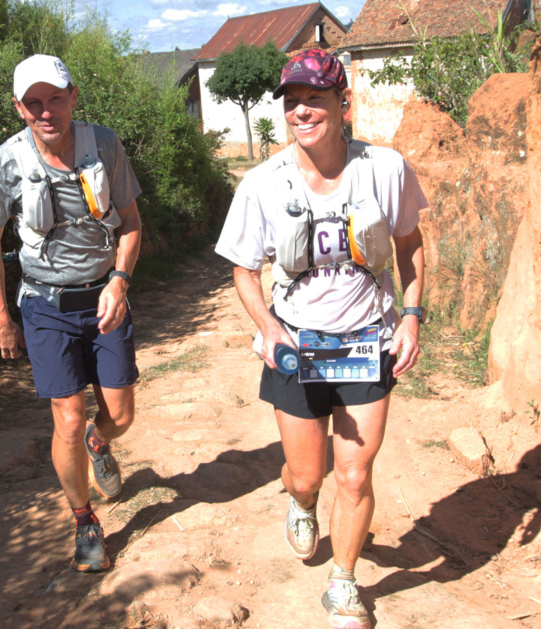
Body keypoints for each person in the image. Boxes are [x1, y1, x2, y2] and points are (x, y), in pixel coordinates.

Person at [215, 49, 426, 629]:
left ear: (343, 104)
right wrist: (269, 329)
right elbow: (242, 269)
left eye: (315, 98)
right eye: (292, 101)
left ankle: (343, 583)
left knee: (355, 474)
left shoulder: (386, 169)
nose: (301, 110)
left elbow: (409, 246)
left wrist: (410, 317)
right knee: (308, 474)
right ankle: (302, 501)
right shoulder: (261, 183)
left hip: (366, 341)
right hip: (297, 345)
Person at [0, 54, 142, 573]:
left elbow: (131, 223)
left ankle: (99, 441)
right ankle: (84, 520)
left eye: (55, 99)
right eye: (34, 103)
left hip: (105, 300)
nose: (47, 112)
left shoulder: (105, 145)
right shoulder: (4, 163)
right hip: (44, 306)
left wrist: (119, 279)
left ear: (72, 96)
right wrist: (1, 318)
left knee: (121, 416)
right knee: (66, 418)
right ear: (20, 108)